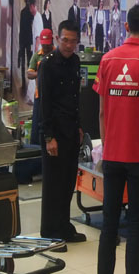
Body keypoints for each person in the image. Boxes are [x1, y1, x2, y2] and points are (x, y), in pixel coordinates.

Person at [94, 4, 139, 274]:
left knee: (109, 224)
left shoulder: (107, 61)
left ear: (125, 27)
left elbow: (101, 112)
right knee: (136, 224)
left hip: (112, 155)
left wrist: (105, 146)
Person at [37, 20, 86, 246]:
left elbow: (76, 98)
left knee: (67, 182)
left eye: (73, 41)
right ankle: (49, 231)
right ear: (58, 39)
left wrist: (78, 126)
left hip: (70, 131)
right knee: (53, 184)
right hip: (53, 133)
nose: (69, 45)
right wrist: (49, 137)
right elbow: (45, 103)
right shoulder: (47, 65)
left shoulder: (75, 62)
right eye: (65, 40)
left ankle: (64, 226)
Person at [27, 28, 55, 143]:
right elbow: (29, 74)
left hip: (54, 96)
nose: (45, 48)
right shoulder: (37, 56)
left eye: (47, 45)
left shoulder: (57, 55)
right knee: (37, 122)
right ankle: (35, 148)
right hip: (40, 95)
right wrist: (40, 73)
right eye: (44, 45)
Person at [18, 0, 34, 95]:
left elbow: (21, 27)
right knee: (28, 60)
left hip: (23, 39)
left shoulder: (23, 12)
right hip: (28, 39)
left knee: (25, 60)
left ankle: (24, 80)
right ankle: (29, 80)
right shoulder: (30, 12)